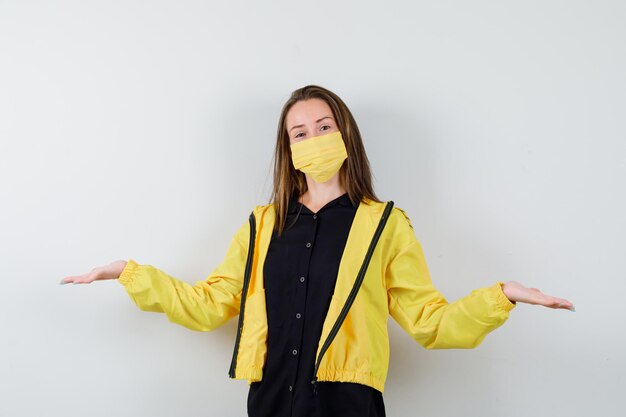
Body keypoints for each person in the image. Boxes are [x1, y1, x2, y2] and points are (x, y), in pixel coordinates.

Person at [60, 85, 575, 417]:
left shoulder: (384, 225)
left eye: (324, 126)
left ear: (345, 132)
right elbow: (209, 305)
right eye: (299, 132)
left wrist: (501, 295)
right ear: (289, 149)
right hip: (269, 405)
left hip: (347, 406)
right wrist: (130, 273)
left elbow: (430, 322)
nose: (313, 137)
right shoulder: (263, 225)